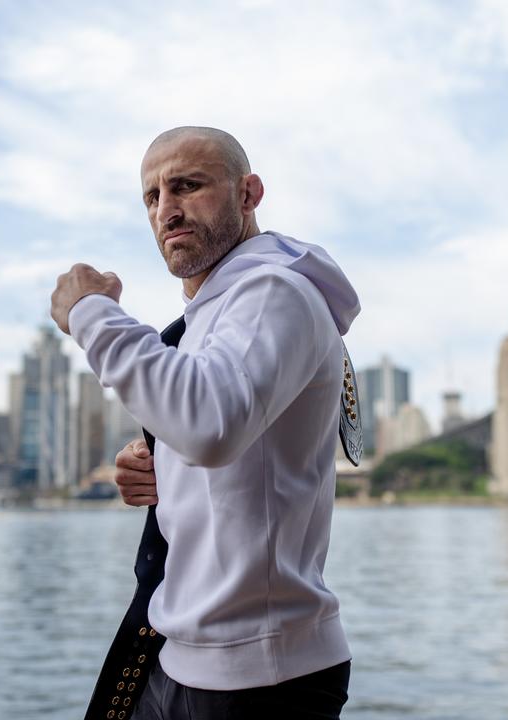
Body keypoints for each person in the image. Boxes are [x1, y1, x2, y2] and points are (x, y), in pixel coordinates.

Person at [51, 126, 360, 718]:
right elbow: (224, 433)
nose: (167, 209)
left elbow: (210, 423)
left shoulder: (274, 290)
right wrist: (163, 463)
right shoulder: (218, 312)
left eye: (188, 186)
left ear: (248, 194)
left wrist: (92, 313)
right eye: (152, 196)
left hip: (257, 677)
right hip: (180, 654)